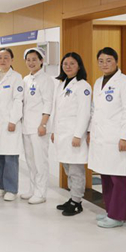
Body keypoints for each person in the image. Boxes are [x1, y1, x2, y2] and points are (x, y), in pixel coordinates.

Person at [89, 47, 126, 228]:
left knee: (119, 178)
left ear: (116, 61)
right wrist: (91, 132)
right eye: (101, 61)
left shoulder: (125, 82)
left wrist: (125, 136)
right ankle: (110, 210)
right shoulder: (98, 82)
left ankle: (118, 215)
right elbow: (95, 111)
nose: (104, 64)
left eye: (108, 60)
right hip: (101, 137)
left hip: (117, 137)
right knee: (106, 176)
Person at [50, 52, 91, 217]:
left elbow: (84, 113)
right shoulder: (61, 85)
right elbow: (57, 111)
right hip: (62, 134)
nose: (68, 66)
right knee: (67, 168)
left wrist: (78, 135)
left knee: (76, 170)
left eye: (72, 63)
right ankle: (73, 197)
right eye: (65, 64)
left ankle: (77, 202)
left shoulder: (83, 86)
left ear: (79, 66)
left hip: (74, 135)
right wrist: (54, 131)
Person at [21, 48, 54, 205]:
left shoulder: (46, 79)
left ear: (41, 61)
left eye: (34, 59)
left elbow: (48, 103)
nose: (31, 62)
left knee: (40, 161)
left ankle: (41, 193)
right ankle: (33, 189)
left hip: (39, 127)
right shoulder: (26, 79)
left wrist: (43, 124)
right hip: (27, 126)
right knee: (30, 160)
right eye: (28, 60)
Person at [0, 48, 23, 202]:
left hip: (10, 124)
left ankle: (11, 189)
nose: (2, 60)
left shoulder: (16, 77)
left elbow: (18, 100)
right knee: (0, 157)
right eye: (0, 57)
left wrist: (13, 120)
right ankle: (3, 186)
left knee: (10, 158)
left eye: (6, 57)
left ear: (12, 60)